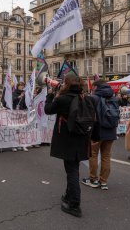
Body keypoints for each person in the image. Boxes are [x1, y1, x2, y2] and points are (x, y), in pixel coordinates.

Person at [44, 74, 94, 218]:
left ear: (66, 84)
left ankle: (74, 205)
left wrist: (50, 96)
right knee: (74, 168)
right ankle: (68, 195)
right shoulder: (86, 98)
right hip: (82, 138)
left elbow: (48, 110)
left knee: (71, 171)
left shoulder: (63, 99)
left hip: (68, 139)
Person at [81, 80, 119, 190]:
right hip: (111, 130)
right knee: (106, 156)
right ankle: (104, 182)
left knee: (93, 154)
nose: (92, 89)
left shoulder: (94, 98)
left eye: (93, 87)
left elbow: (88, 115)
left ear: (97, 87)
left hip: (97, 131)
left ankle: (93, 179)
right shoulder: (113, 98)